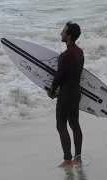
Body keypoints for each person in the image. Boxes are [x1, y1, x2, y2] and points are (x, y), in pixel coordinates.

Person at [47, 21, 84, 168]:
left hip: (66, 93)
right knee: (74, 124)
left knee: (61, 125)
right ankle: (78, 158)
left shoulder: (65, 56)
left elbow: (59, 76)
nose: (61, 33)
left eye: (63, 31)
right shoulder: (80, 52)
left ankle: (68, 160)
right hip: (76, 92)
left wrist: (52, 90)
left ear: (68, 36)